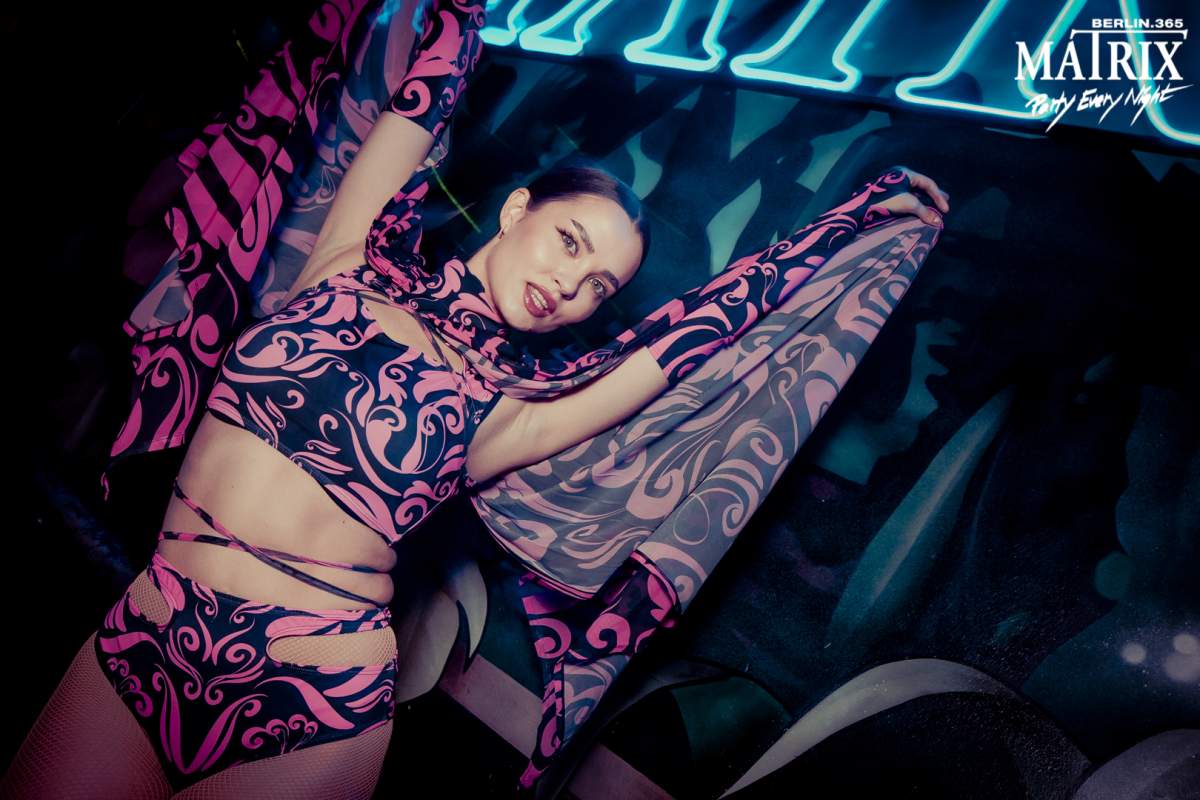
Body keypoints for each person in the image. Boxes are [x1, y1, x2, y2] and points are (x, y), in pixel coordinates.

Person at [1, 0, 949, 797]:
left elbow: (684, 343)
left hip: (311, 700)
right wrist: (460, 14)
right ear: (517, 209)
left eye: (599, 287)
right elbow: (416, 109)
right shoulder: (348, 265)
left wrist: (843, 228)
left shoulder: (518, 407)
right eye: (570, 242)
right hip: (150, 630)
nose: (570, 284)